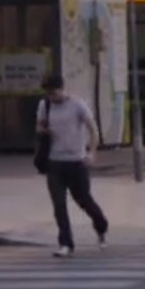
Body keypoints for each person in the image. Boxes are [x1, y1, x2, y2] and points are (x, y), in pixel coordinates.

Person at [36, 74, 109, 257]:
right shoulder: (45, 105)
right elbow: (38, 127)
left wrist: (92, 153)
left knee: (84, 200)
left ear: (62, 88)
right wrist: (45, 131)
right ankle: (65, 243)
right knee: (59, 205)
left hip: (77, 162)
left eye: (54, 93)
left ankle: (101, 226)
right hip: (54, 163)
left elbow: (93, 130)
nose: (51, 97)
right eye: (48, 94)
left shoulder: (77, 105)